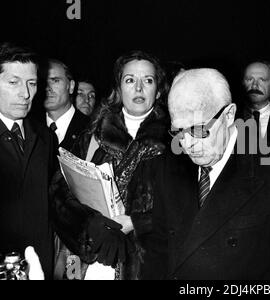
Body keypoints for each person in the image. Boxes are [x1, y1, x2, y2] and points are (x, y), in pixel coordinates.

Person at [139, 68, 270, 280]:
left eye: (199, 130)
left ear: (229, 115)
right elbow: (159, 250)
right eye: (179, 131)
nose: (188, 144)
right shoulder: (169, 165)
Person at [50, 50, 169, 280]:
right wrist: (90, 226)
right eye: (130, 80)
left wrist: (137, 222)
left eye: (148, 80)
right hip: (93, 264)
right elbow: (59, 192)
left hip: (147, 266)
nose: (138, 88)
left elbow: (187, 206)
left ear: (159, 88)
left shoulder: (174, 141)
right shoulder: (94, 134)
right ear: (119, 86)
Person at [0, 43, 58, 279]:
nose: (25, 94)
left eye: (31, 83)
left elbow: (57, 200)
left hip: (40, 266)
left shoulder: (45, 137)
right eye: (13, 83)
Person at [238, 60, 270, 150]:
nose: (254, 86)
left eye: (262, 80)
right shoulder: (230, 118)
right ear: (243, 83)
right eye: (249, 79)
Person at [44, 59, 90, 150]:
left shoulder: (91, 130)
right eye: (43, 81)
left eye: (55, 81)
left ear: (71, 86)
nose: (47, 88)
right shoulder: (27, 129)